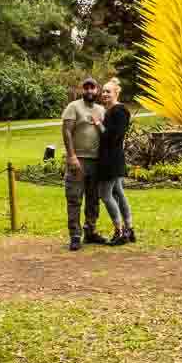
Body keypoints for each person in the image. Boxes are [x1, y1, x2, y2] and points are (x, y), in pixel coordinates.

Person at [61, 77, 107, 251]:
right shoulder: (73, 107)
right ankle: (75, 235)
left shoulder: (101, 110)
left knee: (93, 199)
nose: (89, 91)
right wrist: (71, 156)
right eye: (86, 88)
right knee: (74, 197)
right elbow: (66, 131)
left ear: (97, 90)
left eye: (92, 88)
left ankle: (91, 231)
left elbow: (105, 133)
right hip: (78, 160)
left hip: (96, 161)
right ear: (82, 90)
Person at [94, 78, 134, 245]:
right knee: (118, 191)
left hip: (111, 159)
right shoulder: (112, 111)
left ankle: (119, 231)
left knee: (105, 194)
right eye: (103, 91)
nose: (104, 94)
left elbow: (111, 136)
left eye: (108, 91)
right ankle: (129, 229)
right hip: (113, 157)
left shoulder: (119, 111)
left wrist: (98, 124)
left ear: (116, 93)